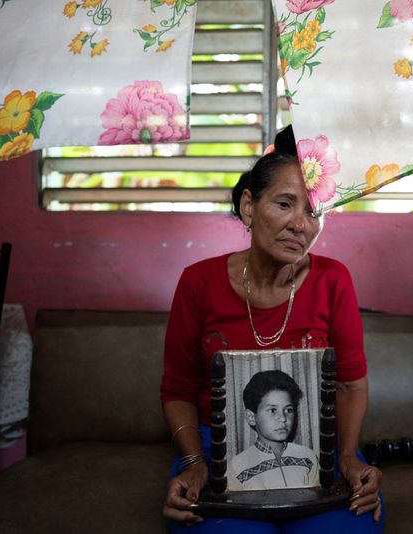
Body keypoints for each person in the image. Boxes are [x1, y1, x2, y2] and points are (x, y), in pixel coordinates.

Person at [161, 125, 383, 533]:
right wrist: (194, 464)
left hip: (320, 451)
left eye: (314, 211)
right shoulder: (198, 282)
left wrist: (349, 456)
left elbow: (351, 385)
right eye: (285, 204)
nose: (301, 225)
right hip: (217, 452)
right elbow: (177, 389)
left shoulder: (334, 280)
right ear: (249, 205)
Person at [226, 370, 319, 491]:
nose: (283, 418)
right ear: (251, 417)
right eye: (273, 410)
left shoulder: (308, 457)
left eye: (288, 410)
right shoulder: (237, 467)